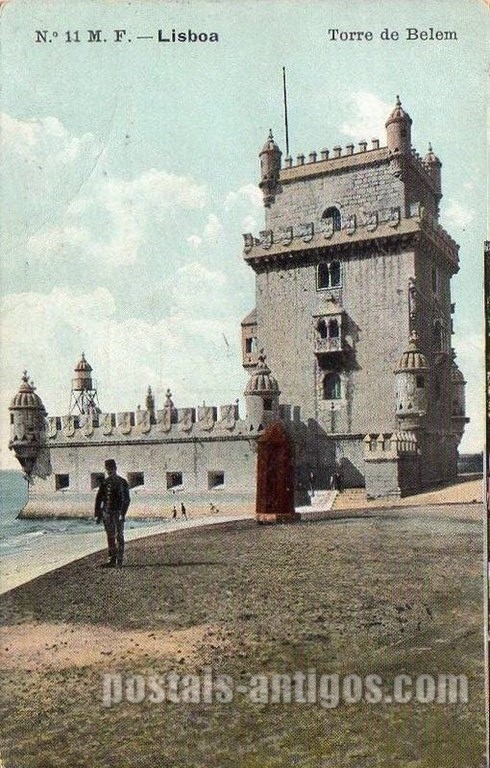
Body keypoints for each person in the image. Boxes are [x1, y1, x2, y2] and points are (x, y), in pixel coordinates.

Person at [95, 459, 130, 568]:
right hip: (107, 513)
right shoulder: (104, 483)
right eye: (108, 469)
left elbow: (127, 500)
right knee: (110, 536)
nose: (110, 471)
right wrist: (98, 515)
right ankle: (112, 559)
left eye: (111, 469)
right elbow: (99, 499)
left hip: (118, 513)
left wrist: (122, 514)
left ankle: (119, 560)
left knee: (119, 536)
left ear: (115, 468)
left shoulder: (122, 482)